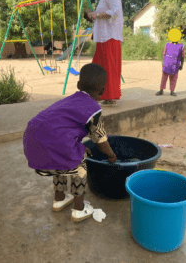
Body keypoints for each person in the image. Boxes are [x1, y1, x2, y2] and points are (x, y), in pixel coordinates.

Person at [23, 63, 117, 222]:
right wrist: (112, 155)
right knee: (80, 166)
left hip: (32, 145)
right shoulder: (93, 109)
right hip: (53, 146)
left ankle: (59, 199)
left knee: (61, 157)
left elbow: (59, 132)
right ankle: (79, 209)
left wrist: (80, 148)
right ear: (102, 91)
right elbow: (99, 139)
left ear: (78, 85)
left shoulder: (69, 101)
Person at [85, 0, 124, 106]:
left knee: (106, 67)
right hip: (104, 37)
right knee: (99, 67)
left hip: (110, 37)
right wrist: (95, 15)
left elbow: (115, 12)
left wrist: (97, 15)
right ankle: (104, 95)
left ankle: (110, 95)